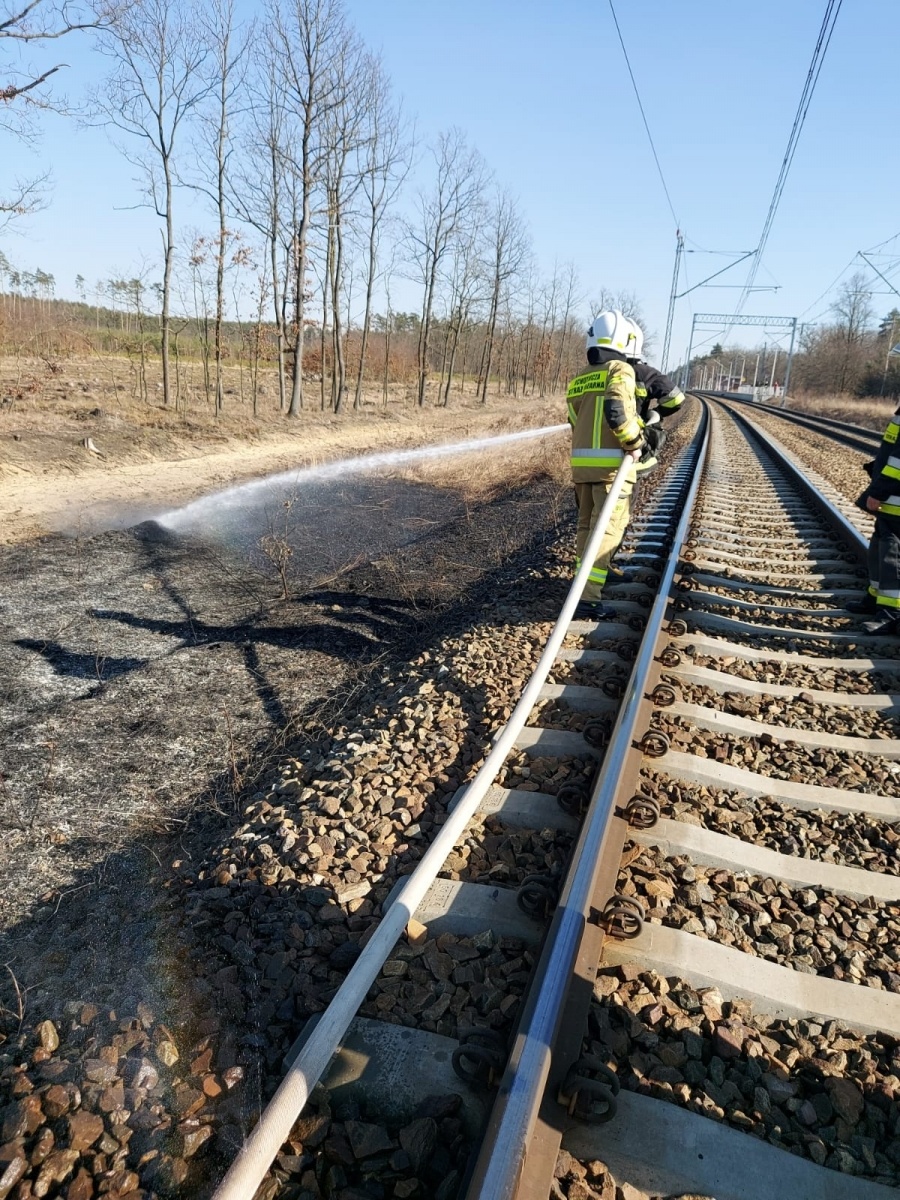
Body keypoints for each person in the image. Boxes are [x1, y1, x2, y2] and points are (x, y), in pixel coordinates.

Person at [566, 310, 656, 619]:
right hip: (611, 471)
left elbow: (574, 420)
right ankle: (588, 597)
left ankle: (583, 585)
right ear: (624, 341)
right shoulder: (620, 369)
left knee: (585, 528)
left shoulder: (581, 376)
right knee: (606, 532)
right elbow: (617, 410)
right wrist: (636, 442)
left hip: (582, 468)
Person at [847, 407, 900, 635]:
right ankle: (875, 599)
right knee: (880, 547)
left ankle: (891, 614)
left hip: (895, 497)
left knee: (892, 554)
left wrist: (878, 491)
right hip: (893, 500)